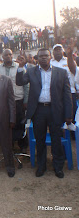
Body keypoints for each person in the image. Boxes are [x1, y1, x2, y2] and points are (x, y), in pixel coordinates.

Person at [16, 48, 72, 178]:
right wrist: (20, 67)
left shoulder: (62, 72)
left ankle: (58, 167)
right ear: (37, 58)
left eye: (46, 56)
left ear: (50, 56)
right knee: (39, 139)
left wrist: (68, 114)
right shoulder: (31, 71)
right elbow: (20, 82)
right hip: (38, 110)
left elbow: (67, 95)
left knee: (56, 139)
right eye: (41, 56)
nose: (43, 58)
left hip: (55, 110)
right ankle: (41, 166)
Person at [0, 49, 29, 153]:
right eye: (5, 55)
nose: (8, 56)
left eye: (10, 54)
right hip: (5, 101)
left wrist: (26, 100)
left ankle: (23, 146)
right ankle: (9, 145)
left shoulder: (19, 67)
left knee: (20, 123)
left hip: (18, 100)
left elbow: (26, 85)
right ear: (2, 56)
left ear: (12, 55)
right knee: (7, 124)